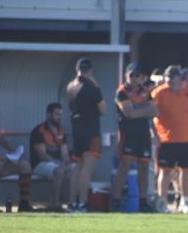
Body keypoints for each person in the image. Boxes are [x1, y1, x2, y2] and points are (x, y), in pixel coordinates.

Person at [152, 65, 188, 214]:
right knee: (165, 172)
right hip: (166, 139)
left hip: (185, 138)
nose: (173, 81)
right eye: (170, 78)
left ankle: (185, 201)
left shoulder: (187, 93)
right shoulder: (159, 93)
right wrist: (154, 134)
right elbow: (151, 114)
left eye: (175, 78)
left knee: (186, 171)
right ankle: (162, 202)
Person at [112, 63, 158, 213]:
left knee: (144, 168)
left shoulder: (145, 92)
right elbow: (128, 113)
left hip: (143, 134)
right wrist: (144, 110)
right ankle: (116, 200)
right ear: (127, 76)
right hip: (128, 134)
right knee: (124, 167)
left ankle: (143, 202)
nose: (135, 78)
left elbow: (155, 111)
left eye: (138, 75)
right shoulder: (121, 92)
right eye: (132, 75)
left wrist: (137, 109)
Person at [66, 57, 106, 213]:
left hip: (77, 130)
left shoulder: (70, 86)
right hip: (90, 131)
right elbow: (103, 110)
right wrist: (95, 85)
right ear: (90, 70)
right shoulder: (92, 87)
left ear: (77, 69)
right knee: (87, 170)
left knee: (78, 167)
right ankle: (82, 203)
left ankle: (71, 203)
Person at [29, 103, 72, 212]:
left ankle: (69, 204)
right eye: (57, 114)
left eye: (61, 115)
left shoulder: (61, 131)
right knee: (58, 170)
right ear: (48, 114)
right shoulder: (39, 131)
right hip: (39, 164)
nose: (60, 117)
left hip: (55, 163)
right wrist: (60, 164)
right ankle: (55, 204)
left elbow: (65, 154)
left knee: (73, 169)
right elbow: (42, 155)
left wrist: (67, 164)